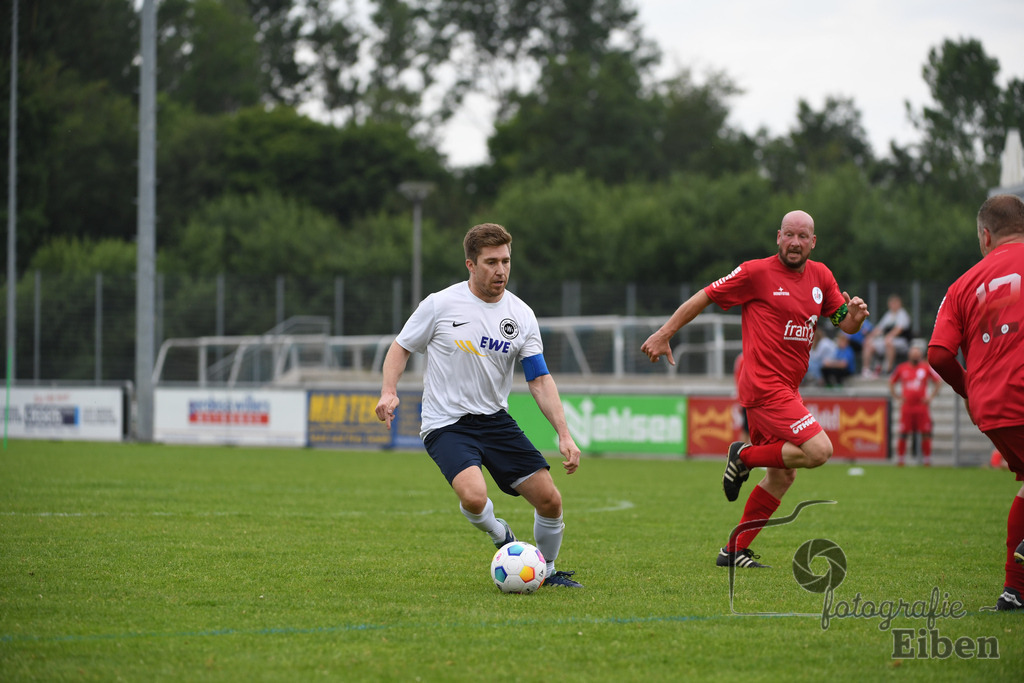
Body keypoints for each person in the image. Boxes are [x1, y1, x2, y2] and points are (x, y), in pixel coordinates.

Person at [641, 210, 869, 568]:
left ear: (813, 241)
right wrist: (664, 332)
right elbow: (705, 296)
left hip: (789, 389)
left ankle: (732, 551)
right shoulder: (755, 273)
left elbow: (845, 324)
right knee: (819, 451)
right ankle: (743, 456)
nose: (795, 242)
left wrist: (855, 314)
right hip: (764, 386)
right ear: (778, 236)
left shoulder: (821, 276)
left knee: (782, 476)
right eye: (789, 235)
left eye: (803, 236)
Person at [375, 222, 584, 588]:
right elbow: (401, 346)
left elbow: (538, 378)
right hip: (446, 424)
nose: (500, 270)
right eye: (491, 262)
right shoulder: (440, 304)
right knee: (474, 497)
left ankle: (546, 570)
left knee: (550, 500)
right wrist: (388, 391)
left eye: (505, 261)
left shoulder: (521, 315)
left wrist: (563, 434)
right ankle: (500, 534)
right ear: (470, 265)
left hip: (495, 421)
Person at [928, 193, 1024, 611]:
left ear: (985, 235)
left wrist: (969, 390)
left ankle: (1015, 590)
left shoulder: (962, 284)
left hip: (990, 407)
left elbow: (939, 354)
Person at [888, 340, 942, 466]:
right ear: (909, 355)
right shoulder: (902, 368)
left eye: (917, 353)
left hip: (921, 406)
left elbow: (938, 382)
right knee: (903, 433)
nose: (915, 356)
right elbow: (891, 382)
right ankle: (901, 460)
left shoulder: (926, 367)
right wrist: (897, 397)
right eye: (913, 353)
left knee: (925, 433)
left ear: (920, 355)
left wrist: (930, 397)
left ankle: (927, 460)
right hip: (907, 407)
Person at [861, 294, 912, 377]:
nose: (893, 305)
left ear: (899, 304)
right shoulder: (888, 315)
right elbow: (879, 329)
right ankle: (866, 370)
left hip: (902, 342)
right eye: (891, 303)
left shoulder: (902, 314)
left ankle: (888, 369)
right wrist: (870, 337)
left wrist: (889, 337)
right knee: (869, 344)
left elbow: (899, 329)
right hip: (887, 340)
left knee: (888, 342)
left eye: (895, 303)